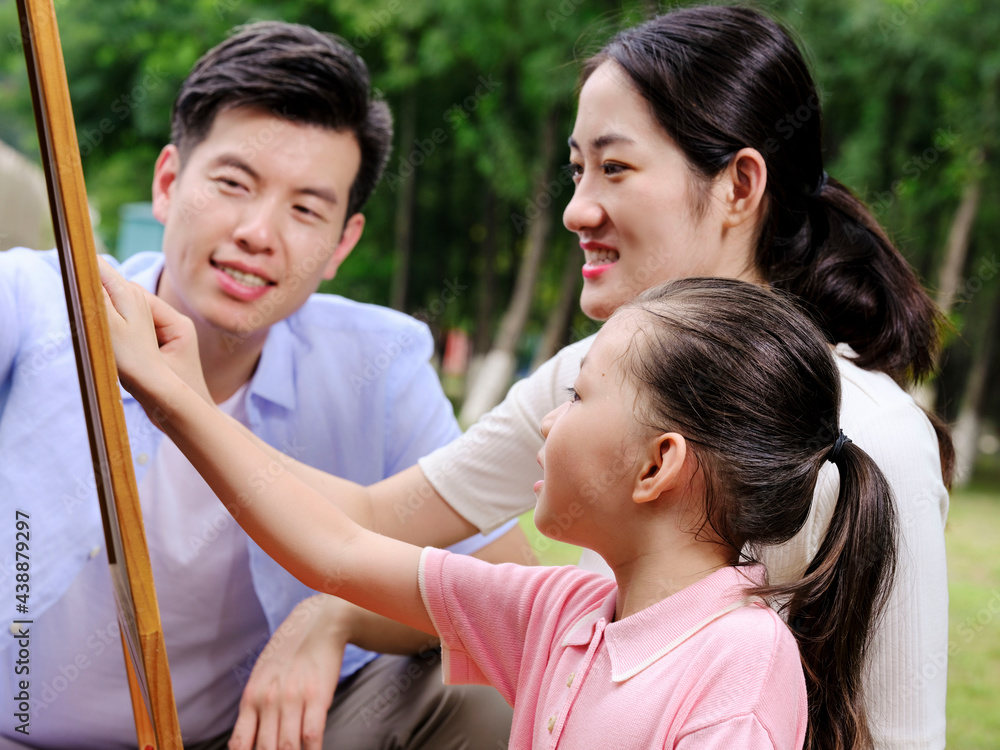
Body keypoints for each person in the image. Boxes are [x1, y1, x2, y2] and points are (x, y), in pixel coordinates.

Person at [117, 6, 950, 748]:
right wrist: (185, 404)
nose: (575, 208)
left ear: (739, 185)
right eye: (576, 167)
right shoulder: (567, 561)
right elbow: (367, 526)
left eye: (615, 169)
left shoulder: (866, 439)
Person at [102, 271, 902, 749]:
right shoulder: (564, 613)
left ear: (658, 464)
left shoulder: (740, 661)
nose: (550, 423)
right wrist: (177, 398)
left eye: (580, 396)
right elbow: (337, 547)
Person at [0, 21, 524, 750]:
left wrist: (336, 616)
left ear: (343, 243)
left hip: (248, 736)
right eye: (232, 183)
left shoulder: (379, 362)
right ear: (167, 181)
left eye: (306, 209)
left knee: (474, 692)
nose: (258, 231)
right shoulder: (34, 301)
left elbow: (512, 596)